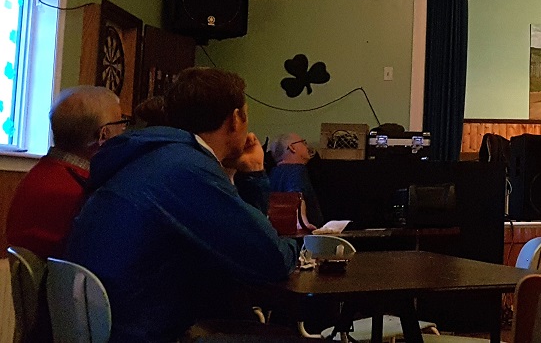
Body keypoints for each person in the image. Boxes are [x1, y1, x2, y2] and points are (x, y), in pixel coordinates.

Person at [66, 67, 299, 343]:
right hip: (144, 331)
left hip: (111, 322)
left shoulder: (150, 155)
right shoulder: (188, 169)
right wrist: (298, 247)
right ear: (235, 119)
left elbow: (248, 249)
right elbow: (272, 260)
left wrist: (252, 175)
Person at [6, 86, 126, 258]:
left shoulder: (37, 175)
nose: (124, 131)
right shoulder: (83, 194)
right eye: (121, 123)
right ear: (103, 135)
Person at [269, 133, 325, 227]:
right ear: (292, 147)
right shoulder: (297, 169)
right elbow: (296, 196)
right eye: (303, 142)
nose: (307, 146)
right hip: (301, 233)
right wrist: (304, 223)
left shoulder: (273, 173)